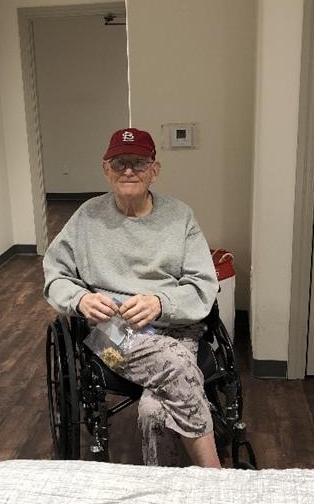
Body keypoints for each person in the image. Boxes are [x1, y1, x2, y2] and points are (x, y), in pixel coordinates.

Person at [43, 127, 221, 468]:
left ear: (154, 170)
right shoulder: (86, 218)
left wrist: (162, 303)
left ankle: (159, 489)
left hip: (177, 324)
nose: (128, 171)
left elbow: (202, 283)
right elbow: (55, 275)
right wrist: (80, 299)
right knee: (176, 366)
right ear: (106, 169)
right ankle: (215, 476)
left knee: (154, 408)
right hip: (109, 331)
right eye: (120, 163)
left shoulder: (180, 216)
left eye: (138, 163)